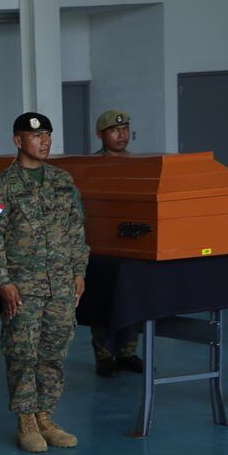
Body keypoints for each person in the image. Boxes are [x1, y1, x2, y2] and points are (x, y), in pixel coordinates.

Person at [0, 113, 89, 454]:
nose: (44, 142)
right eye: (36, 136)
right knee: (23, 354)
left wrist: (79, 271)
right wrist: (4, 282)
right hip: (23, 289)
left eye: (48, 136)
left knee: (54, 354)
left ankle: (46, 417)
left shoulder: (63, 181)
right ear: (18, 141)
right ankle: (26, 422)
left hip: (61, 286)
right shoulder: (2, 187)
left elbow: (76, 229)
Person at [89, 110, 143, 377]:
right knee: (103, 300)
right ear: (100, 135)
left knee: (132, 299)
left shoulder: (141, 164)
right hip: (104, 245)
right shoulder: (92, 167)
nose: (122, 135)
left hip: (134, 244)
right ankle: (104, 354)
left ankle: (128, 352)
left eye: (125, 129)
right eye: (114, 130)